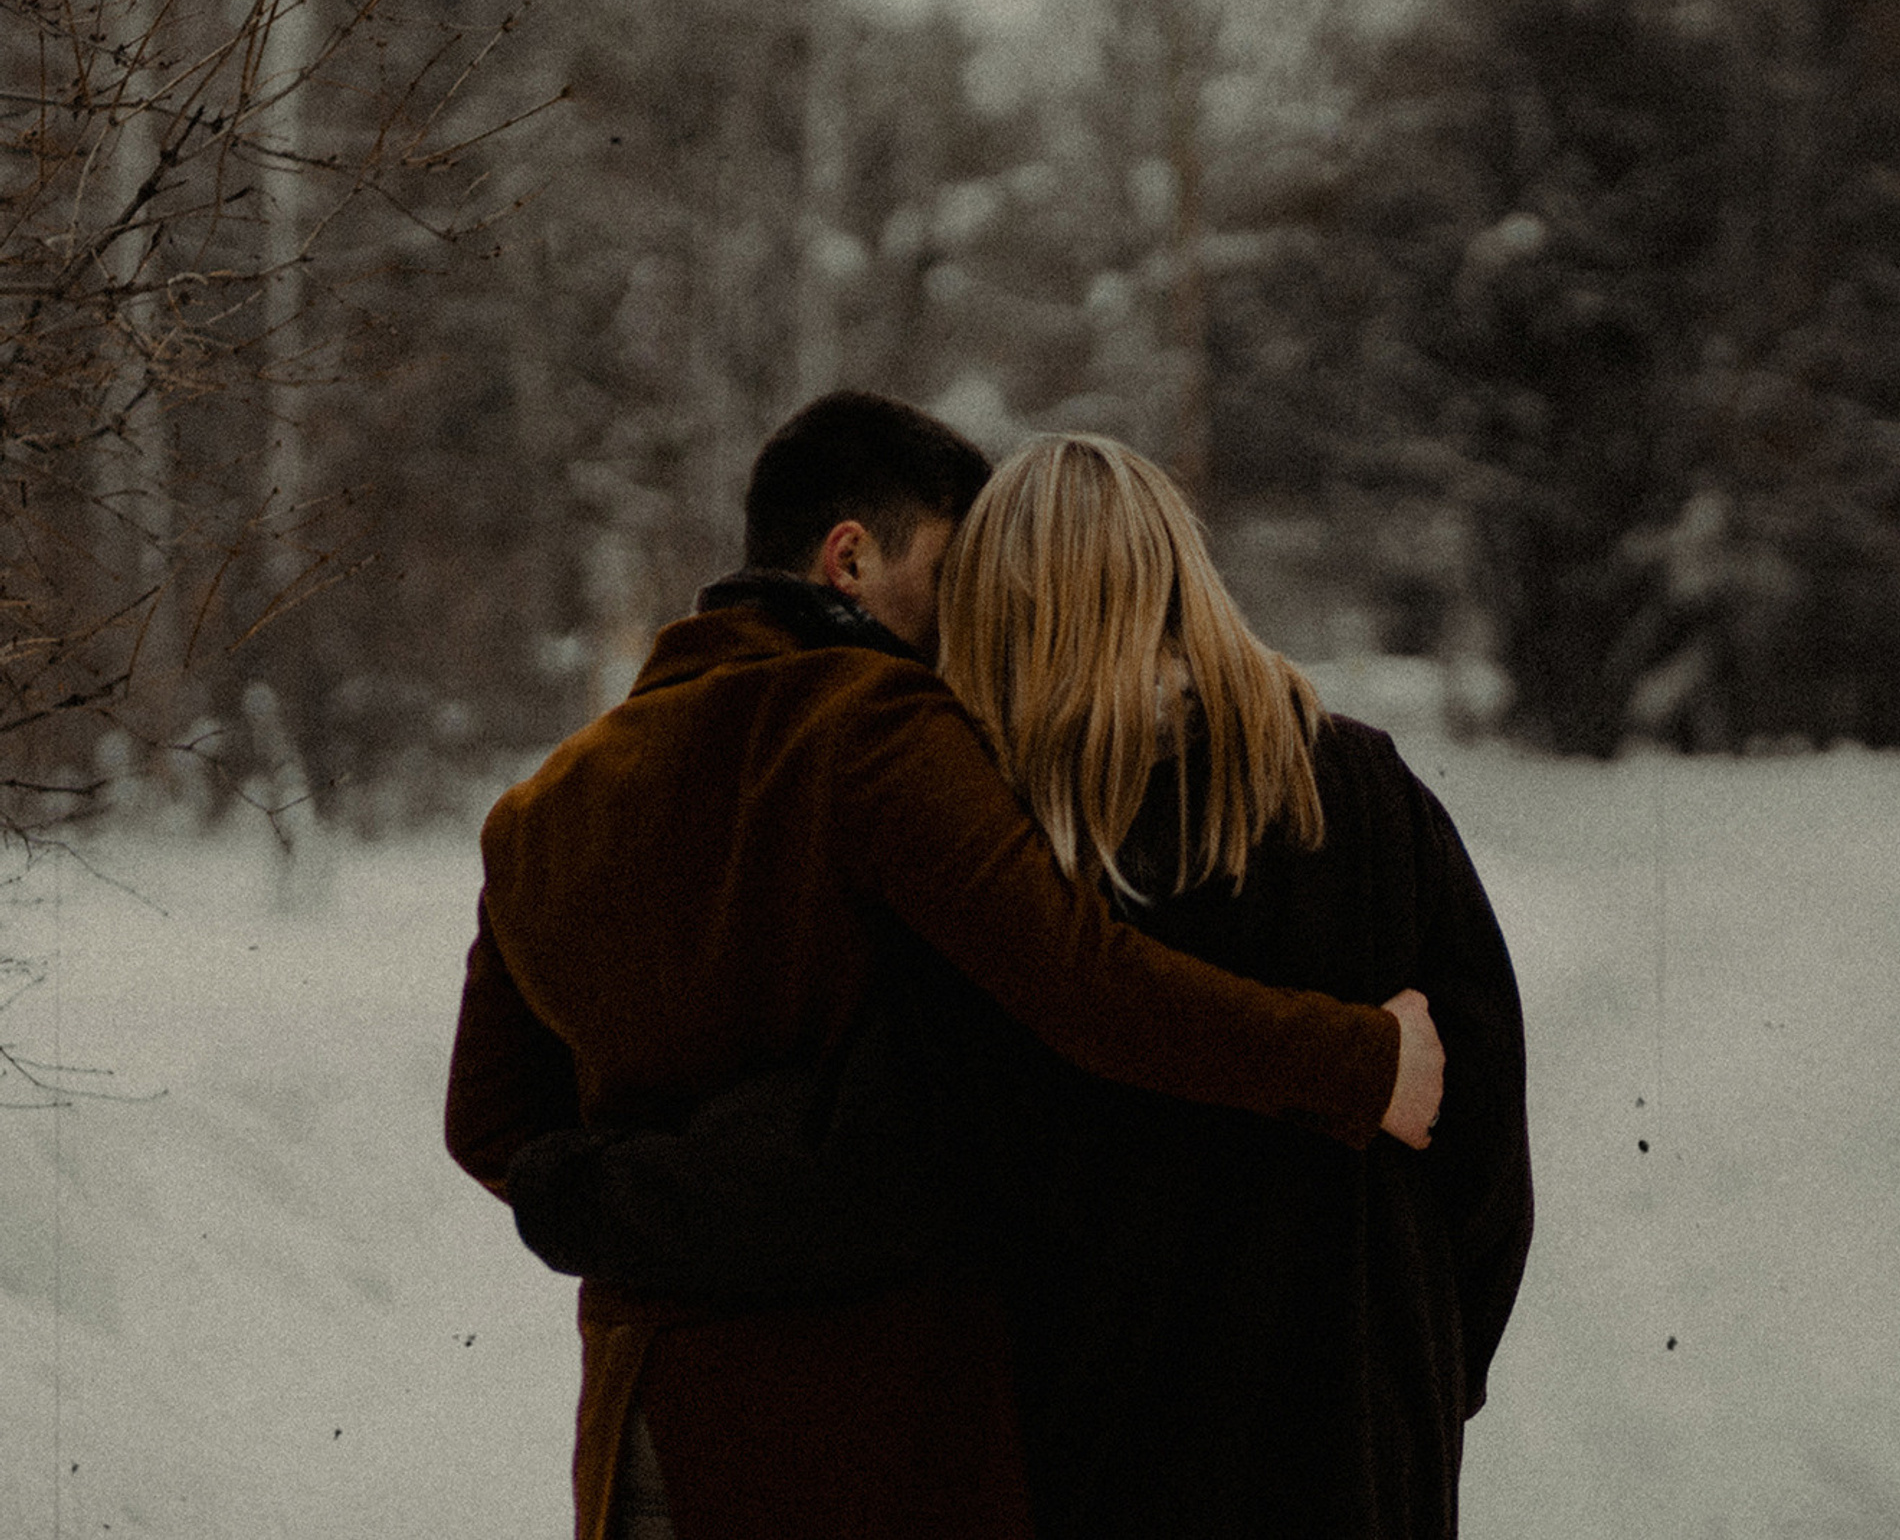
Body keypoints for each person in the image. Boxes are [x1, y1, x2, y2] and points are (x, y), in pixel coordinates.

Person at [444, 392, 1446, 1540]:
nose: (969, 619)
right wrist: (1362, 1061)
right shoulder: (873, 725)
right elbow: (1087, 982)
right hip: (861, 1424)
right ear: (850, 559)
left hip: (640, 1422)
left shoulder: (545, 803)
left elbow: (489, 1125)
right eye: (952, 573)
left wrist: (643, 1206)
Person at [926, 434, 1532, 1539]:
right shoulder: (1361, 794)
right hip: (1352, 1449)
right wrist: (1427, 1389)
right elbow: (1485, 1162)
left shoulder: (997, 849)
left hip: (1085, 1456)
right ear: (1178, 574)